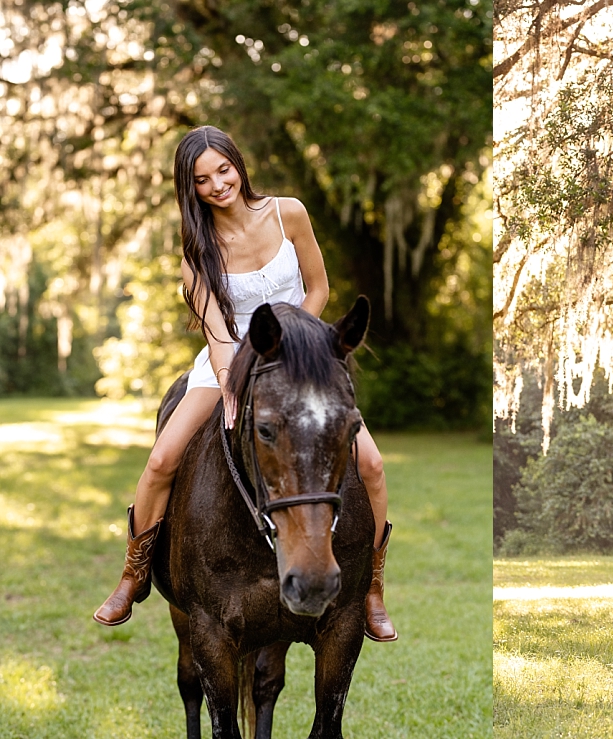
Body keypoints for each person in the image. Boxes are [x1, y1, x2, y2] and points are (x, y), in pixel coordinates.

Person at [94, 126, 398, 641]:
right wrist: (235, 384)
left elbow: (319, 286)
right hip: (229, 362)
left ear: (239, 165)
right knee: (163, 458)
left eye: (223, 169)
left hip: (302, 355)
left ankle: (372, 586)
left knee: (370, 462)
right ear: (189, 189)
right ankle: (133, 573)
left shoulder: (289, 212)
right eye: (202, 179)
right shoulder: (197, 254)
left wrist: (300, 346)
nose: (217, 184)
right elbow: (217, 335)